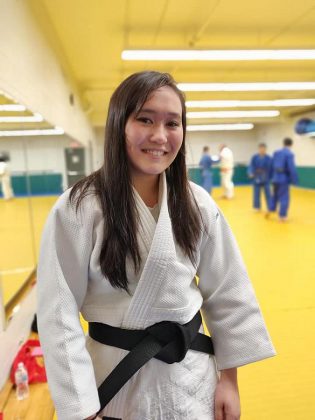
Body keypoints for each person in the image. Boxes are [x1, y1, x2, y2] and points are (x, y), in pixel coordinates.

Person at [37, 71, 275, 420]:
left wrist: (230, 379)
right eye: (145, 119)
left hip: (192, 378)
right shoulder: (79, 207)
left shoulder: (198, 203)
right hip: (115, 384)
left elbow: (229, 291)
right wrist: (82, 409)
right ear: (120, 124)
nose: (160, 136)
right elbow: (58, 313)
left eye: (172, 123)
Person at [268, 138, 298, 222]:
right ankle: (282, 216)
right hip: (283, 179)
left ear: (283, 143)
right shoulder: (289, 154)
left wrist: (270, 176)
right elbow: (291, 168)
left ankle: (271, 209)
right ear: (291, 145)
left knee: (274, 195)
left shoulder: (276, 153)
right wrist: (294, 180)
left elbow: (271, 165)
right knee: (284, 197)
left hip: (275, 178)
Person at [247, 143, 272, 211]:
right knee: (256, 193)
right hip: (257, 176)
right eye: (261, 149)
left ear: (265, 149)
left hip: (266, 177)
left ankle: (270, 206)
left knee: (268, 193)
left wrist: (271, 177)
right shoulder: (255, 157)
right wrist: (250, 172)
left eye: (263, 149)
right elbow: (251, 166)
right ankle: (257, 207)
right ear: (259, 149)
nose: (262, 150)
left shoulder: (268, 158)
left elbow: (271, 168)